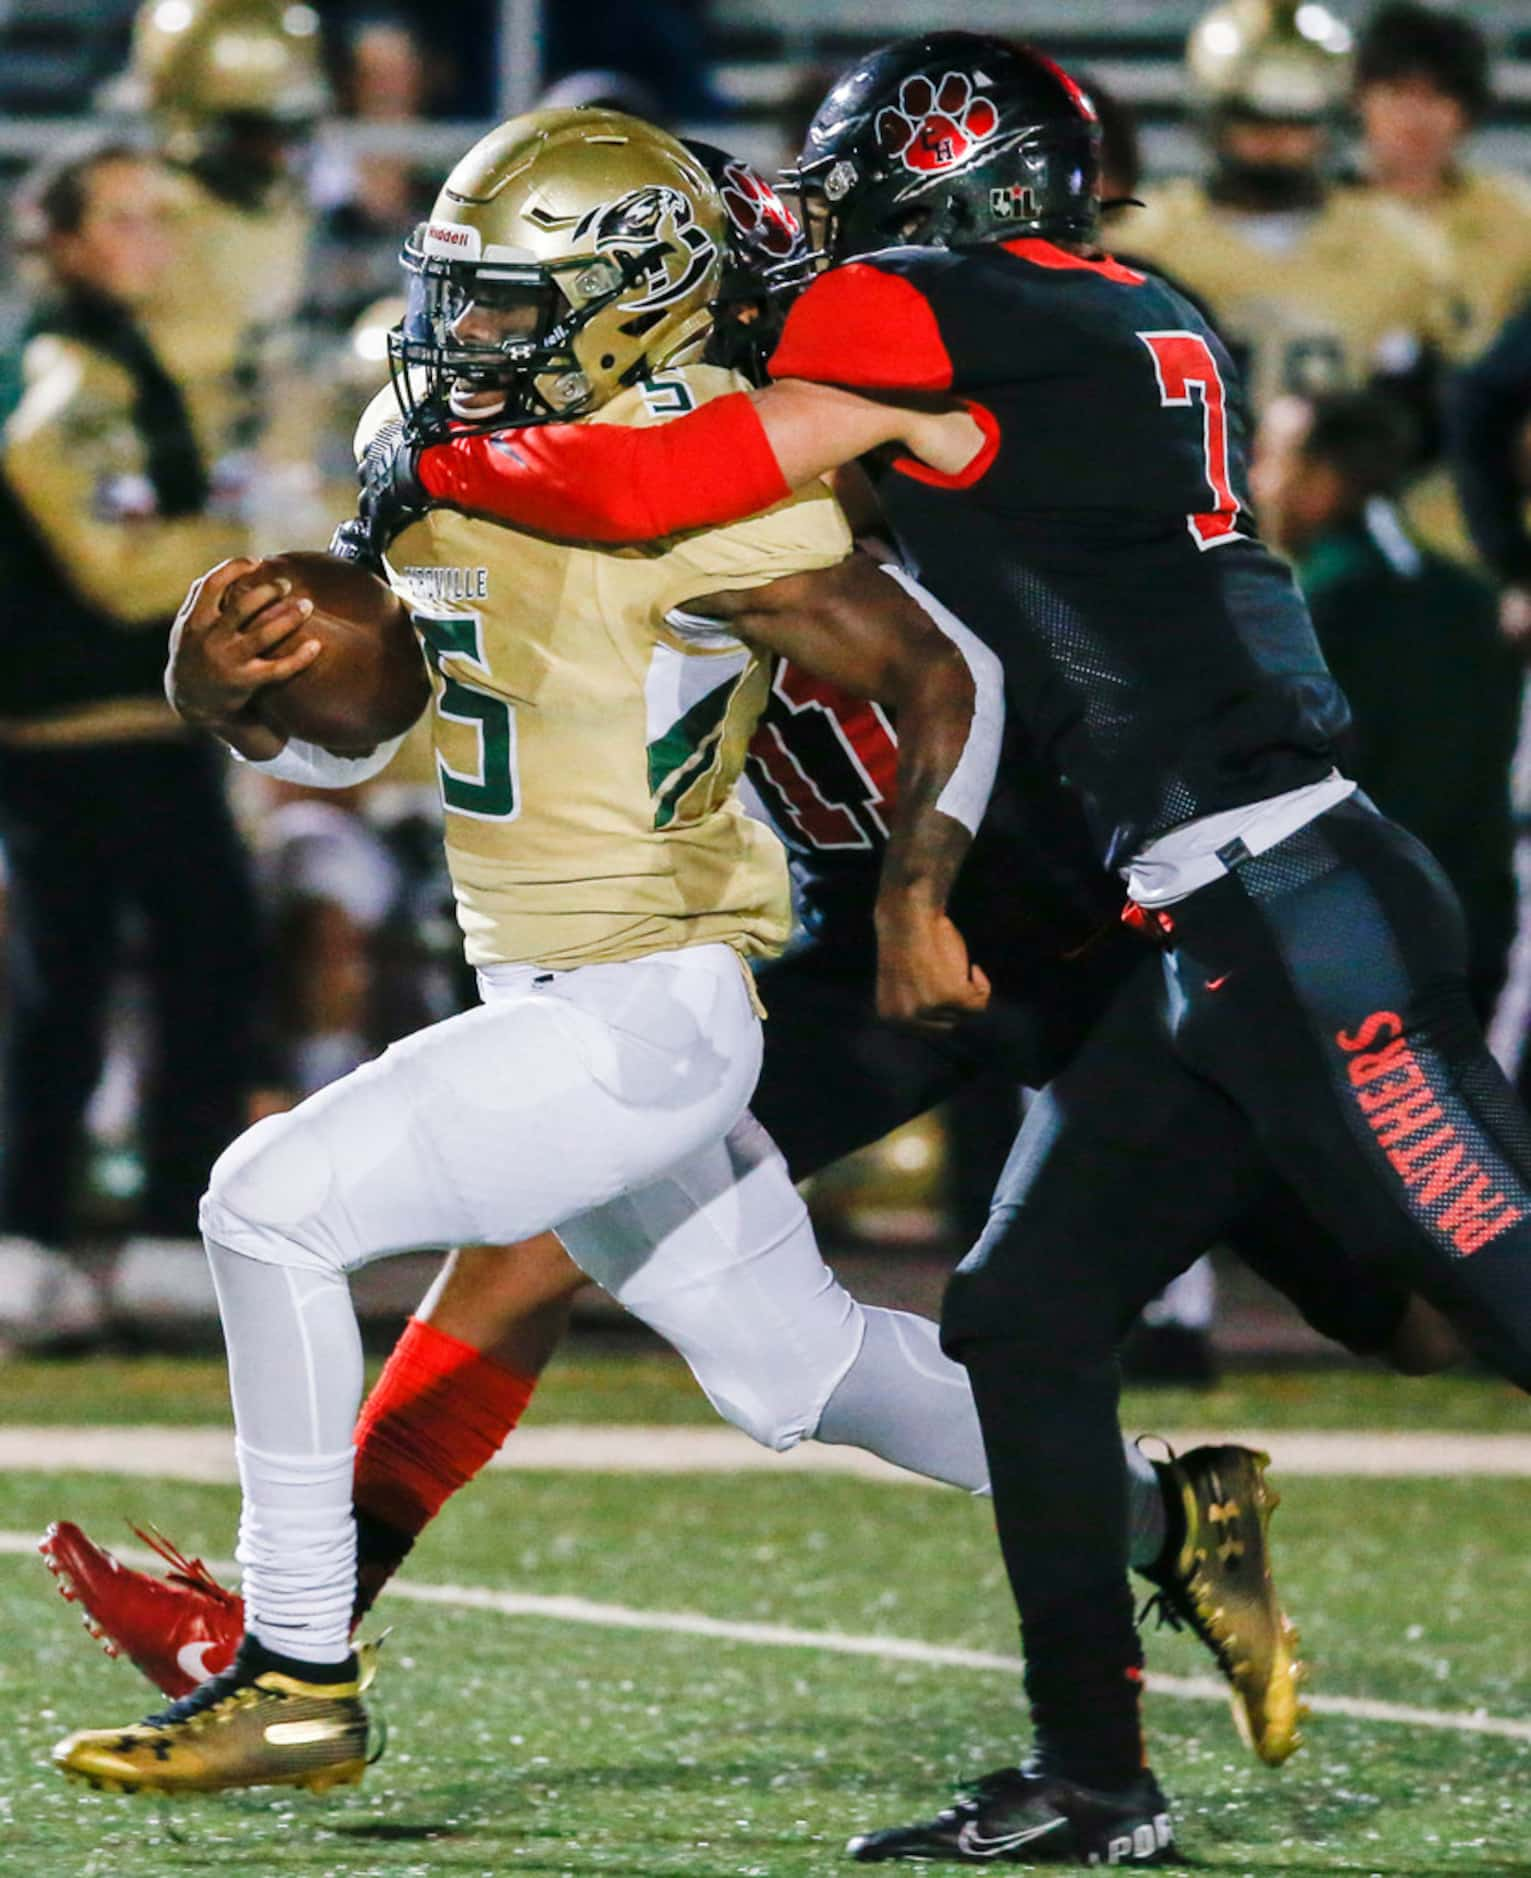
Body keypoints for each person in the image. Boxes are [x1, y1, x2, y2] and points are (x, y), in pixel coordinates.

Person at [363, 33, 1531, 1865]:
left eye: (853, 188)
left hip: (1282, 898)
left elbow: (655, 489)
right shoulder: (1123, 308)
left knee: (1494, 1289)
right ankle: (1092, 1777)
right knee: (1024, 1314)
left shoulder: (927, 304)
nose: (826, 224)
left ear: (937, 183)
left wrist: (442, 444)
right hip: (1196, 912)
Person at [49, 108, 1008, 1802]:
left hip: (650, 995)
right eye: (457, 295)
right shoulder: (432, 429)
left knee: (265, 1201)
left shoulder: (712, 470)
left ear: (631, 299)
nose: (461, 336)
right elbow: (381, 699)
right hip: (553, 993)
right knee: (802, 1368)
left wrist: (924, 890)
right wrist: (233, 682)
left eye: (504, 303)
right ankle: (1172, 1500)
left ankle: (289, 1666)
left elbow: (940, 676)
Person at [0, 138, 260, 1346]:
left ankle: (141, 1236)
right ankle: (43, 1239)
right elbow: (112, 565)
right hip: (74, 734)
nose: (156, 239)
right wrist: (251, 535)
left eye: (160, 215)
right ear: (61, 240)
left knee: (186, 969)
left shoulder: (128, 359)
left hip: (138, 729)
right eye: (124, 218)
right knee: (79, 984)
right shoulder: (66, 374)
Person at [1254, 389, 1516, 1014]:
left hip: (1353, 962)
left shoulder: (1313, 611)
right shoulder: (1472, 600)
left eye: (1271, 459)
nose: (1257, 483)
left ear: (1322, 481)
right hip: (1468, 942)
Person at [1123, 0, 1455, 422]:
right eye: (1254, 120)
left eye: (1297, 122)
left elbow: (1432, 409)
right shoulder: (1146, 238)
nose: (1277, 140)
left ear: (1330, 123)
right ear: (1213, 120)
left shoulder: (1401, 243)